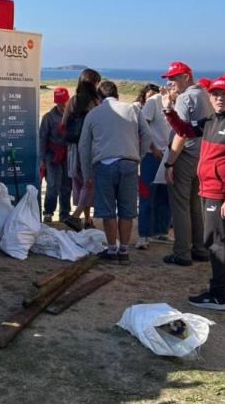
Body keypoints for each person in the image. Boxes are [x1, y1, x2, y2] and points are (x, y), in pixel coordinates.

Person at [165, 76, 225, 310]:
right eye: (214, 94)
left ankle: (217, 295)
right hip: (210, 188)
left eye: (223, 93)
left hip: (221, 191)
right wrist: (169, 111)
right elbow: (185, 130)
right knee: (223, 240)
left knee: (215, 241)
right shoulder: (212, 120)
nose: (218, 98)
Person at [79, 80, 156, 260]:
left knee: (108, 210)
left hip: (104, 164)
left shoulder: (93, 114)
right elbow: (147, 136)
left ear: (99, 98)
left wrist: (87, 174)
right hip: (129, 163)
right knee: (127, 210)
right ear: (117, 95)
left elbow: (84, 147)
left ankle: (112, 249)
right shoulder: (133, 109)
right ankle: (124, 250)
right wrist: (138, 155)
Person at [161, 60, 214, 266]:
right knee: (195, 206)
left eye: (174, 77)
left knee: (180, 207)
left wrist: (169, 162)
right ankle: (200, 248)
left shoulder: (186, 98)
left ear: (186, 77)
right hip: (203, 156)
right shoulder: (203, 94)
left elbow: (181, 132)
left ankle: (182, 252)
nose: (171, 82)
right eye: (169, 78)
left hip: (186, 156)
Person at [62, 68, 102, 230]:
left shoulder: (74, 100)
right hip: (90, 148)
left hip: (73, 147)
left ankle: (87, 220)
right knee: (89, 183)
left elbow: (63, 123)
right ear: (94, 83)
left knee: (79, 183)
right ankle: (75, 216)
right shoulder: (96, 102)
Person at [137, 84, 171, 248]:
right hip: (152, 156)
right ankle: (143, 234)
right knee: (147, 195)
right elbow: (143, 128)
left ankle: (160, 231)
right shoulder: (153, 102)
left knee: (165, 196)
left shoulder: (179, 102)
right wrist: (153, 148)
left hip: (170, 156)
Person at [39, 87, 72, 223]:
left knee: (67, 186)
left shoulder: (73, 115)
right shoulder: (48, 117)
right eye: (60, 102)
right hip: (52, 156)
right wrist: (41, 160)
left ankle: (64, 213)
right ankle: (48, 212)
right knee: (52, 185)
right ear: (56, 102)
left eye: (65, 102)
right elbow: (42, 139)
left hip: (68, 155)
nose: (63, 105)